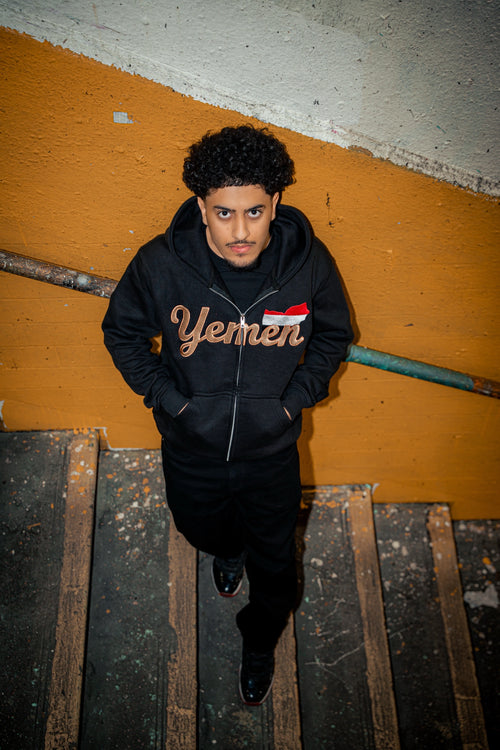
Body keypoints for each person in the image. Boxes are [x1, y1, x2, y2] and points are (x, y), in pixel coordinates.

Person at [102, 125, 353, 706]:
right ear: (201, 208)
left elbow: (333, 336)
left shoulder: (308, 264)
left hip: (271, 455)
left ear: (275, 204)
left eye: (254, 212)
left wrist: (294, 400)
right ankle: (229, 548)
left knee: (277, 571)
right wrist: (172, 402)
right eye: (224, 213)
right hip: (191, 446)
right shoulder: (161, 263)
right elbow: (122, 334)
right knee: (201, 531)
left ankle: (259, 641)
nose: (240, 232)